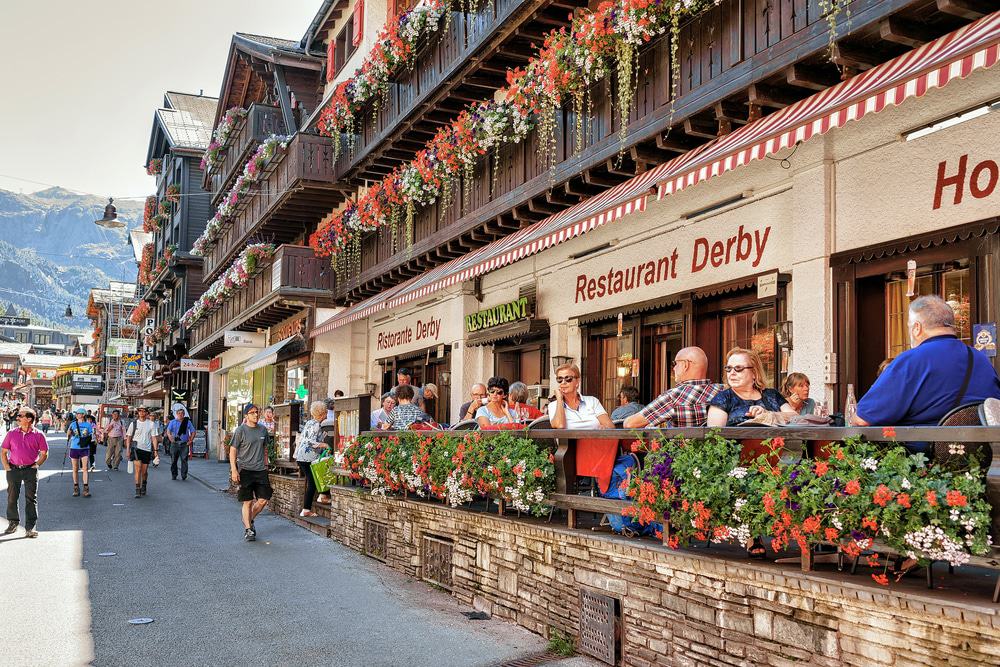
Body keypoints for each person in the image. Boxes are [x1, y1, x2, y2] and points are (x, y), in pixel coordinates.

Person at [854, 295, 1000, 430]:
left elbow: (862, 419)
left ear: (917, 328)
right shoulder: (981, 359)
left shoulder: (911, 360)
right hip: (978, 454)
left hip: (921, 455)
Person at [623, 347, 725, 429]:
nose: (674, 368)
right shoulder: (723, 390)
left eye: (675, 363)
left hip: (681, 453)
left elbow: (630, 424)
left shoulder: (674, 396)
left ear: (685, 365)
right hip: (718, 452)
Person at [707, 348, 796, 427]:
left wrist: (768, 414)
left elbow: (796, 418)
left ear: (754, 372)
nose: (732, 373)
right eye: (729, 368)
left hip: (779, 445)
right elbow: (714, 437)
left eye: (738, 368)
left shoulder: (772, 394)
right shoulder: (722, 398)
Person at [229, 404, 273, 542]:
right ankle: (248, 529)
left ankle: (249, 519)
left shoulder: (263, 430)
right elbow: (233, 451)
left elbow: (265, 449)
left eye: (257, 412)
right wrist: (234, 470)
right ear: (246, 416)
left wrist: (266, 464)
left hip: (260, 470)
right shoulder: (240, 430)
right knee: (247, 501)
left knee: (263, 500)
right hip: (245, 470)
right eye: (252, 412)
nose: (255, 414)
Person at [2, 407, 48, 538]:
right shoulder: (11, 433)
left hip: (30, 470)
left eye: (20, 416)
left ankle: (30, 527)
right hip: (13, 469)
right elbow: (4, 452)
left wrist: (37, 464)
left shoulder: (39, 435)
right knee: (12, 497)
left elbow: (44, 453)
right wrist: (7, 467)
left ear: (29, 419)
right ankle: (13, 523)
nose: (17, 418)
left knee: (31, 499)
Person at [548, 363, 615, 429]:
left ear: (577, 381)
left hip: (595, 439)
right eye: (559, 379)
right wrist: (559, 399)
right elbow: (560, 425)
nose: (563, 382)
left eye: (568, 378)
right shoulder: (553, 405)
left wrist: (604, 428)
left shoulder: (592, 401)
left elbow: (610, 426)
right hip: (570, 440)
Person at [293, 401, 330, 517]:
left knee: (317, 477)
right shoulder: (316, 425)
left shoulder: (309, 422)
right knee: (313, 481)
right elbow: (311, 441)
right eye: (326, 410)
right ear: (323, 413)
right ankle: (306, 509)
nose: (327, 412)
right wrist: (325, 445)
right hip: (307, 457)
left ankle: (322, 496)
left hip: (301, 457)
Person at [125, 406, 159, 498]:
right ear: (138, 412)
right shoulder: (134, 424)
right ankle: (137, 489)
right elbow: (128, 437)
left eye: (144, 411)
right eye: (140, 411)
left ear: (147, 413)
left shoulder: (151, 424)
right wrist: (128, 450)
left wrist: (156, 451)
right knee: (138, 469)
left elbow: (154, 438)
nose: (141, 412)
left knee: (144, 472)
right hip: (136, 449)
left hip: (147, 450)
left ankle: (144, 484)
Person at [66, 408, 95, 497]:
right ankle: (76, 488)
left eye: (79, 413)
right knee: (75, 468)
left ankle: (86, 488)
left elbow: (91, 436)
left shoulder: (88, 425)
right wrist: (69, 432)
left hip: (84, 448)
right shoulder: (73, 424)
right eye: (77, 413)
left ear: (83, 415)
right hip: (74, 447)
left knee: (85, 468)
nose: (77, 415)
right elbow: (68, 435)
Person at [165, 406, 196, 481]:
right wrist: (170, 437)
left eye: (182, 413)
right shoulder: (172, 422)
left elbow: (193, 432)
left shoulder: (187, 422)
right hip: (174, 444)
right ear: (176, 414)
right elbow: (168, 431)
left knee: (184, 460)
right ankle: (174, 474)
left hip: (184, 444)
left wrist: (190, 440)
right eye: (179, 413)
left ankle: (184, 475)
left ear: (184, 414)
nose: (180, 415)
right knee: (173, 460)